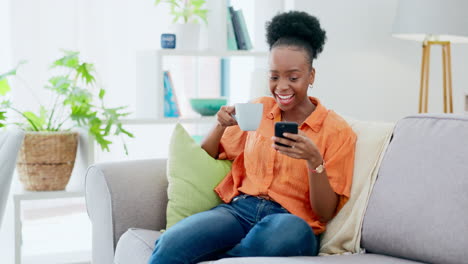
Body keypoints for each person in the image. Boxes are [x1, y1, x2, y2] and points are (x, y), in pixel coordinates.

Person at [148, 11, 357, 264]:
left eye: (293, 77)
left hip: (289, 221)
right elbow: (207, 154)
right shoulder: (259, 109)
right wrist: (220, 126)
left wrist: (314, 161)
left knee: (285, 236)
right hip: (238, 211)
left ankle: (226, 257)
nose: (282, 86)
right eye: (274, 76)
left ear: (311, 76)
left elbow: (324, 213)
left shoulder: (337, 131)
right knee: (170, 244)